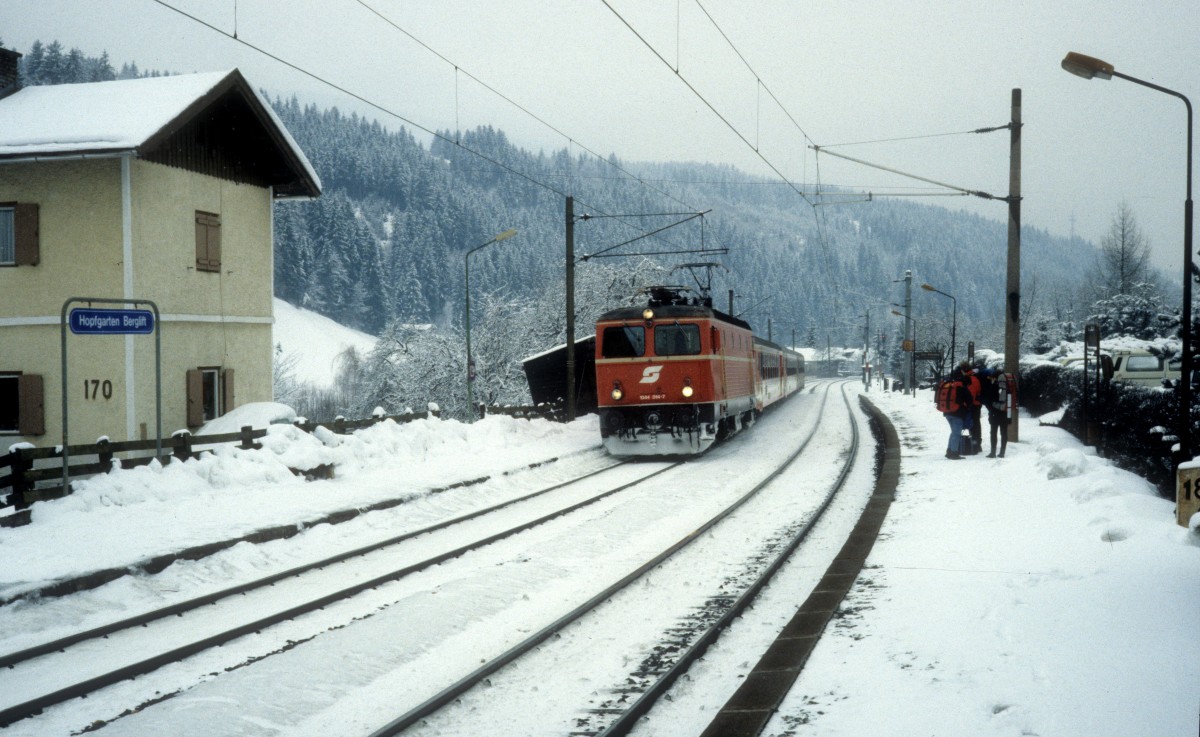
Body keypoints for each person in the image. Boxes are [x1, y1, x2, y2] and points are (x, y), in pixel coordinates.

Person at [935, 364, 973, 460]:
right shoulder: (961, 385)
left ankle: (949, 450)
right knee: (956, 433)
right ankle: (954, 453)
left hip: (947, 412)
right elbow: (970, 399)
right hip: (957, 412)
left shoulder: (949, 383)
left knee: (954, 432)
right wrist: (968, 407)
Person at [979, 368, 1012, 458]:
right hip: (1005, 412)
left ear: (995, 378)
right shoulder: (1008, 386)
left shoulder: (994, 386)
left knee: (993, 432)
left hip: (995, 412)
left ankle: (993, 453)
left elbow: (989, 400)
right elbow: (1009, 401)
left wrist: (990, 410)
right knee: (1004, 432)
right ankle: (1002, 453)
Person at [963, 360, 983, 455]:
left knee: (972, 424)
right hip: (977, 404)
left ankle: (975, 444)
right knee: (976, 424)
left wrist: (966, 404)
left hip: (972, 405)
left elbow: (971, 394)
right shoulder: (975, 377)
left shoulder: (969, 379)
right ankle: (977, 443)